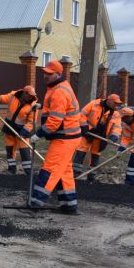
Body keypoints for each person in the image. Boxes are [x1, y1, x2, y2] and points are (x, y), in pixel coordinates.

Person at [28, 60, 82, 213]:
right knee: (64, 171)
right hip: (69, 136)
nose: (45, 76)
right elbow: (56, 107)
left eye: (49, 74)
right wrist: (42, 106)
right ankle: (69, 205)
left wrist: (38, 134)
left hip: (65, 138)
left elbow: (55, 120)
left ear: (58, 74)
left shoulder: (59, 91)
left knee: (50, 169)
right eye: (45, 73)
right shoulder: (57, 87)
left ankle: (36, 202)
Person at [0, 85, 38, 175]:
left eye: (32, 96)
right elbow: (0, 98)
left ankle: (28, 172)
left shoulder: (33, 106)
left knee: (24, 150)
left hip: (23, 130)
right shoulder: (13, 96)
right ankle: (11, 169)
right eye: (30, 95)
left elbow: (31, 122)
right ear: (24, 93)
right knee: (10, 149)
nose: (32, 97)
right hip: (10, 127)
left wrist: (23, 132)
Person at [72, 93, 122, 182]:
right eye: (115, 103)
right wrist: (84, 126)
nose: (116, 105)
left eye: (118, 104)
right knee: (81, 151)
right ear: (109, 101)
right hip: (88, 132)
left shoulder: (116, 113)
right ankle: (75, 174)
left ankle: (91, 176)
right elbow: (82, 114)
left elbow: (117, 127)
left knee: (95, 155)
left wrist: (114, 136)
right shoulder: (94, 104)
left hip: (101, 136)